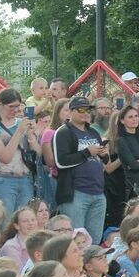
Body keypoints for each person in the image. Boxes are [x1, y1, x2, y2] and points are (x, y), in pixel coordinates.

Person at [51, 97, 110, 246]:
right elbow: (60, 162)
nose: (85, 113)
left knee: (94, 241)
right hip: (75, 193)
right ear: (70, 112)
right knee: (74, 239)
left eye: (88, 109)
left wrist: (104, 155)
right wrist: (87, 152)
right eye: (81, 109)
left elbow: (104, 162)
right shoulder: (64, 132)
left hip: (98, 192)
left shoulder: (93, 132)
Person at [0, 88, 37, 218]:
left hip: (25, 178)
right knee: (4, 223)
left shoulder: (21, 123)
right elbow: (5, 157)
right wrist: (19, 132)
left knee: (25, 222)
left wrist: (32, 136)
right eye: (11, 106)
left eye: (18, 106)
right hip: (3, 179)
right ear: (0, 105)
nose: (15, 110)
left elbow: (38, 152)